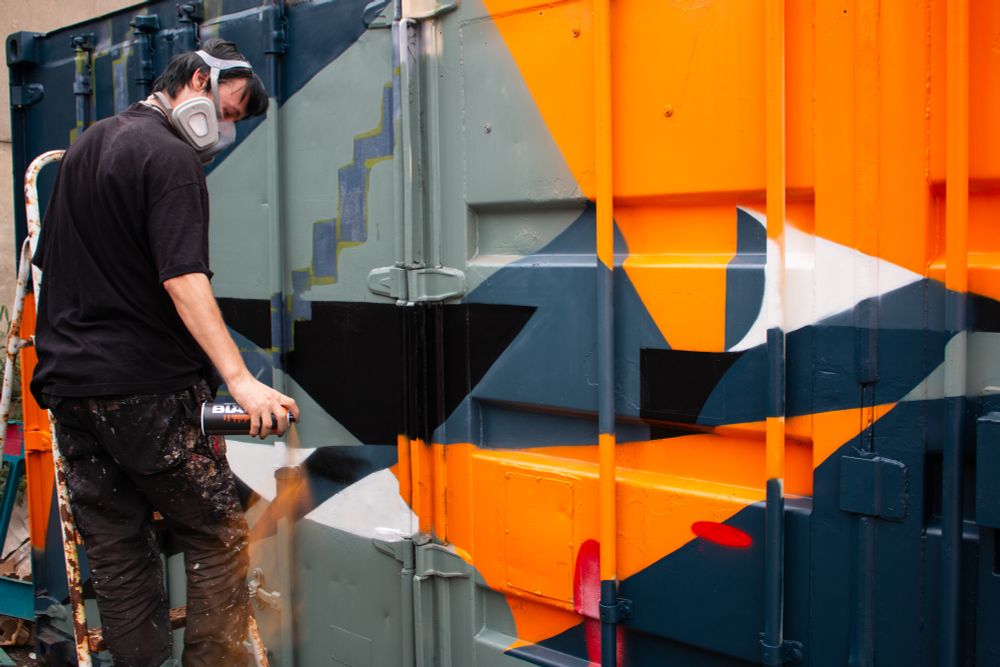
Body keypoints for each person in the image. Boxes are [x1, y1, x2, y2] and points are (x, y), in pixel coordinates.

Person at [29, 38, 298, 667]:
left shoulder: (88, 143)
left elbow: (53, 268)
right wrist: (239, 381)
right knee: (218, 532)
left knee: (121, 552)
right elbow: (183, 280)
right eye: (229, 112)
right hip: (144, 392)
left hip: (70, 393)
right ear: (199, 79)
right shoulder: (171, 158)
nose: (225, 131)